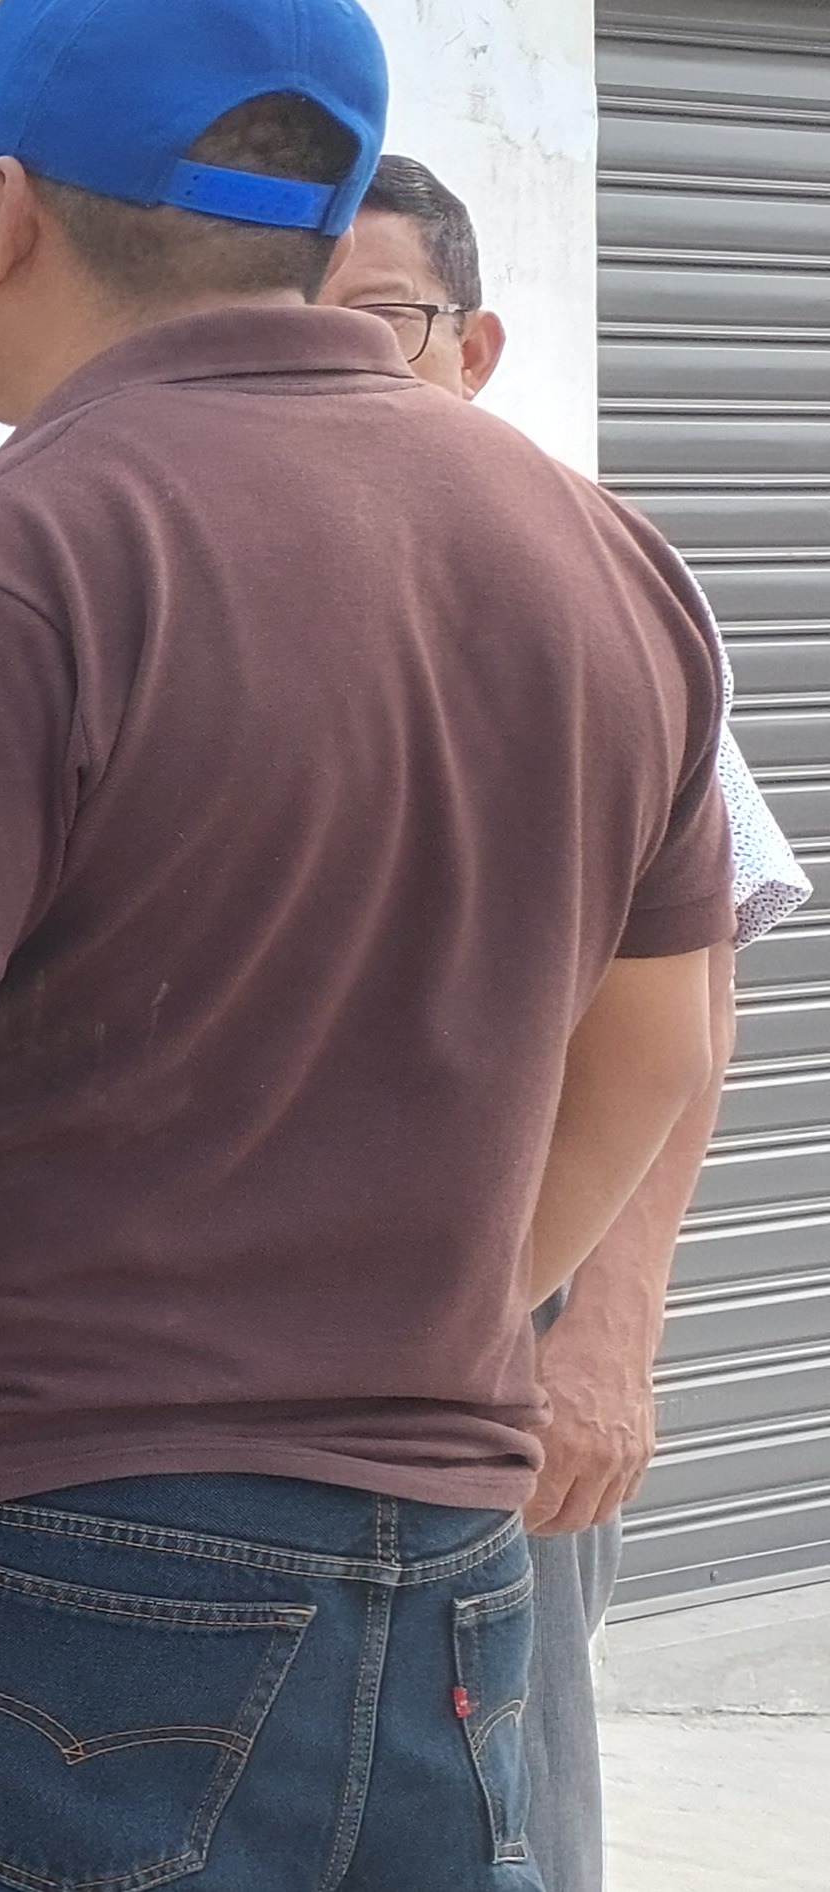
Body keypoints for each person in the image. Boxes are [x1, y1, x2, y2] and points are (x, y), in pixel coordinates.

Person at [0, 0, 736, 1891]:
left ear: (4, 215)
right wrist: (438, 1322)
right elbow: (654, 1051)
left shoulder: (10, 554)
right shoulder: (602, 560)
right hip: (441, 1567)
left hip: (31, 1560)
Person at [319, 153, 810, 1892]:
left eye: (385, 319)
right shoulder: (193, 557)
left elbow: (683, 998)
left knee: (502, 1788)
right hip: (236, 1326)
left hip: (502, 1314)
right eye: (296, 314)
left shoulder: (594, 594)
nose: (339, 358)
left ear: (476, 347)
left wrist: (608, 1332)